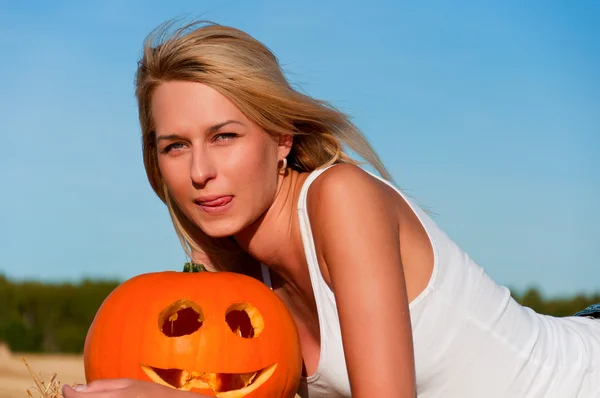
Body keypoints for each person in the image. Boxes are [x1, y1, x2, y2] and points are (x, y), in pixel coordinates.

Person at [63, 20, 600, 398]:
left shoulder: (340, 198)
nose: (200, 171)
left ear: (281, 138)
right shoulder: (235, 278)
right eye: (175, 145)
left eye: (224, 136)